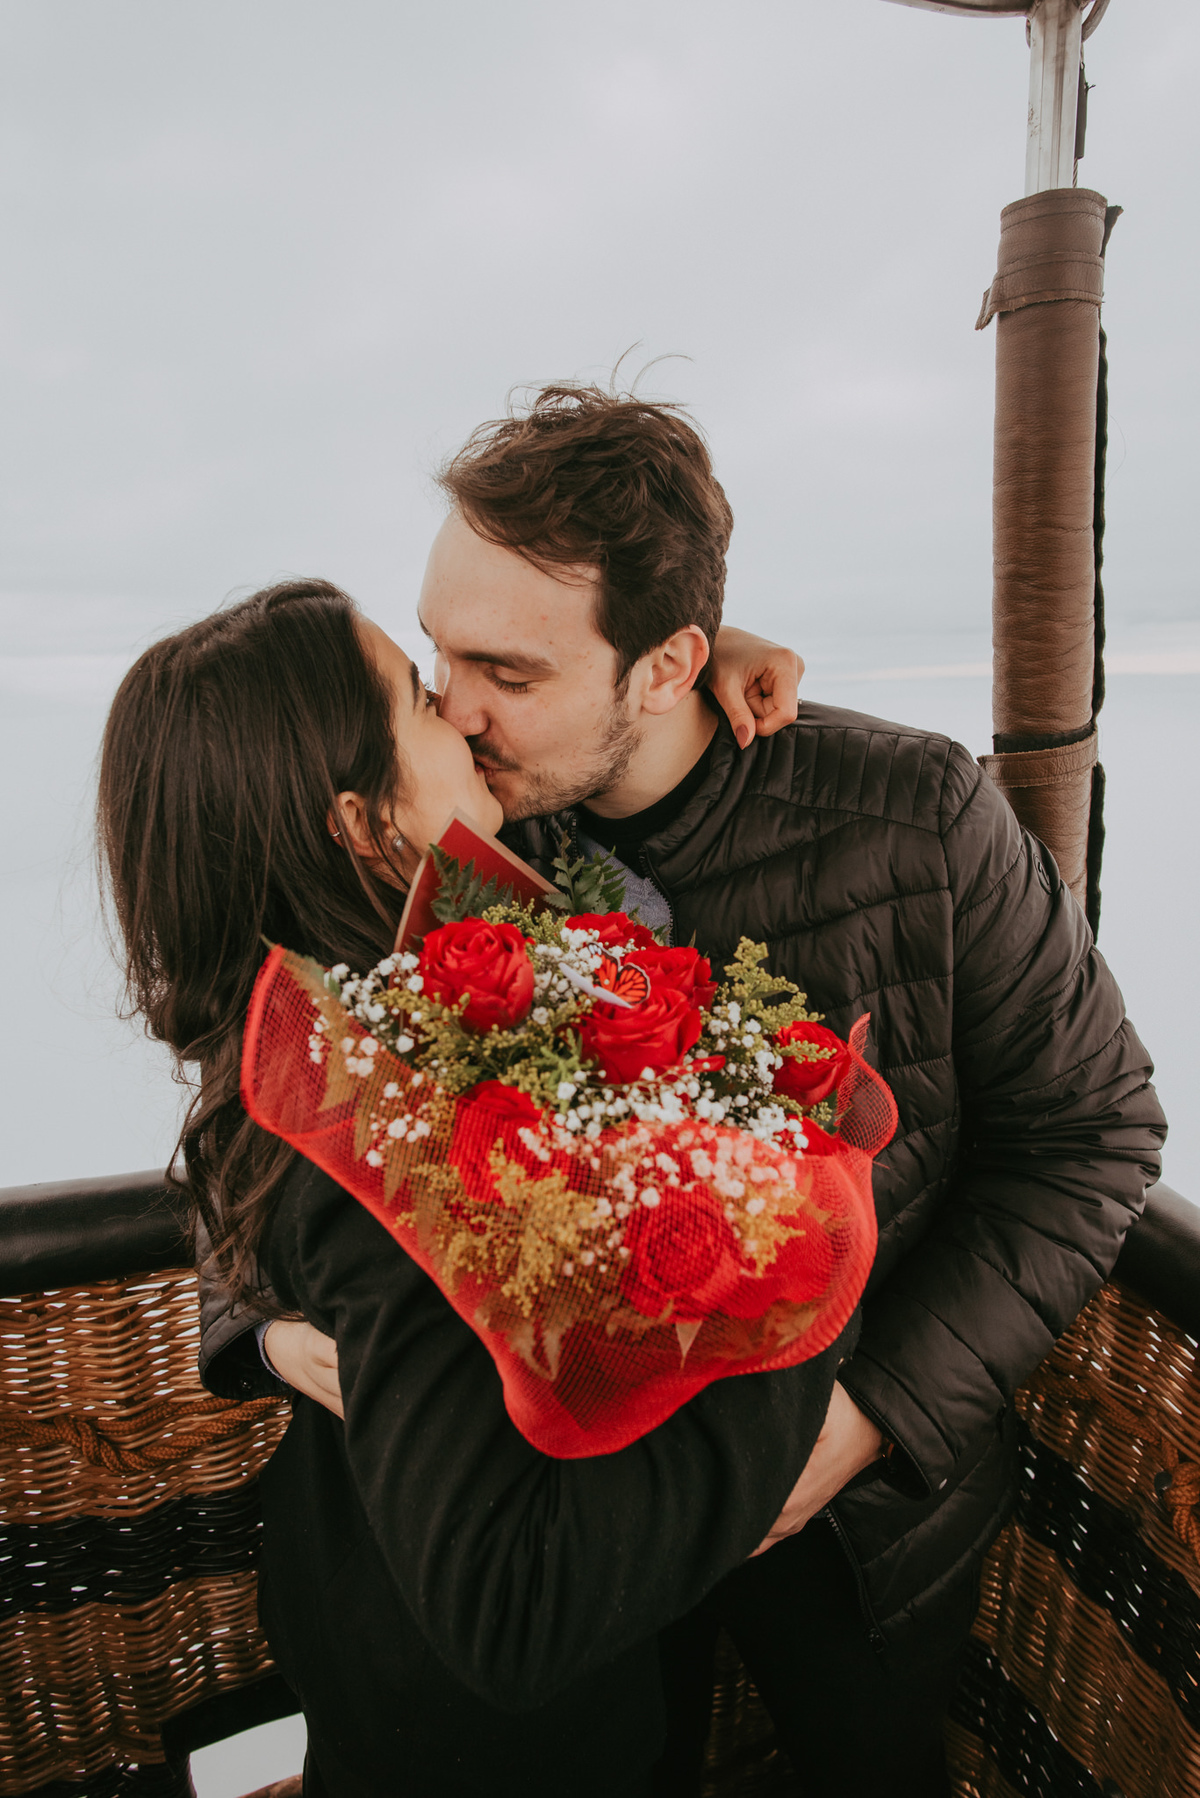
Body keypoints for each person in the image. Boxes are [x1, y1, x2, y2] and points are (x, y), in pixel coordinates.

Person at [200, 383, 1166, 1798]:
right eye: (435, 655)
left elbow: (1093, 1137)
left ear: (668, 668)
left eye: (509, 674)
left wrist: (871, 1416)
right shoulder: (438, 848)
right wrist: (267, 1328)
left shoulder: (917, 818)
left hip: (849, 1533)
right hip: (562, 1565)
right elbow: (260, 1089)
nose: (455, 710)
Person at [98, 580, 837, 1798]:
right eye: (414, 696)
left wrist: (700, 654)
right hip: (487, 1739)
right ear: (359, 819)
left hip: (384, 1647)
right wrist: (792, 1287)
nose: (457, 710)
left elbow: (582, 644)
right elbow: (514, 1615)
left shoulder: (330, 1037)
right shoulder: (375, 1141)